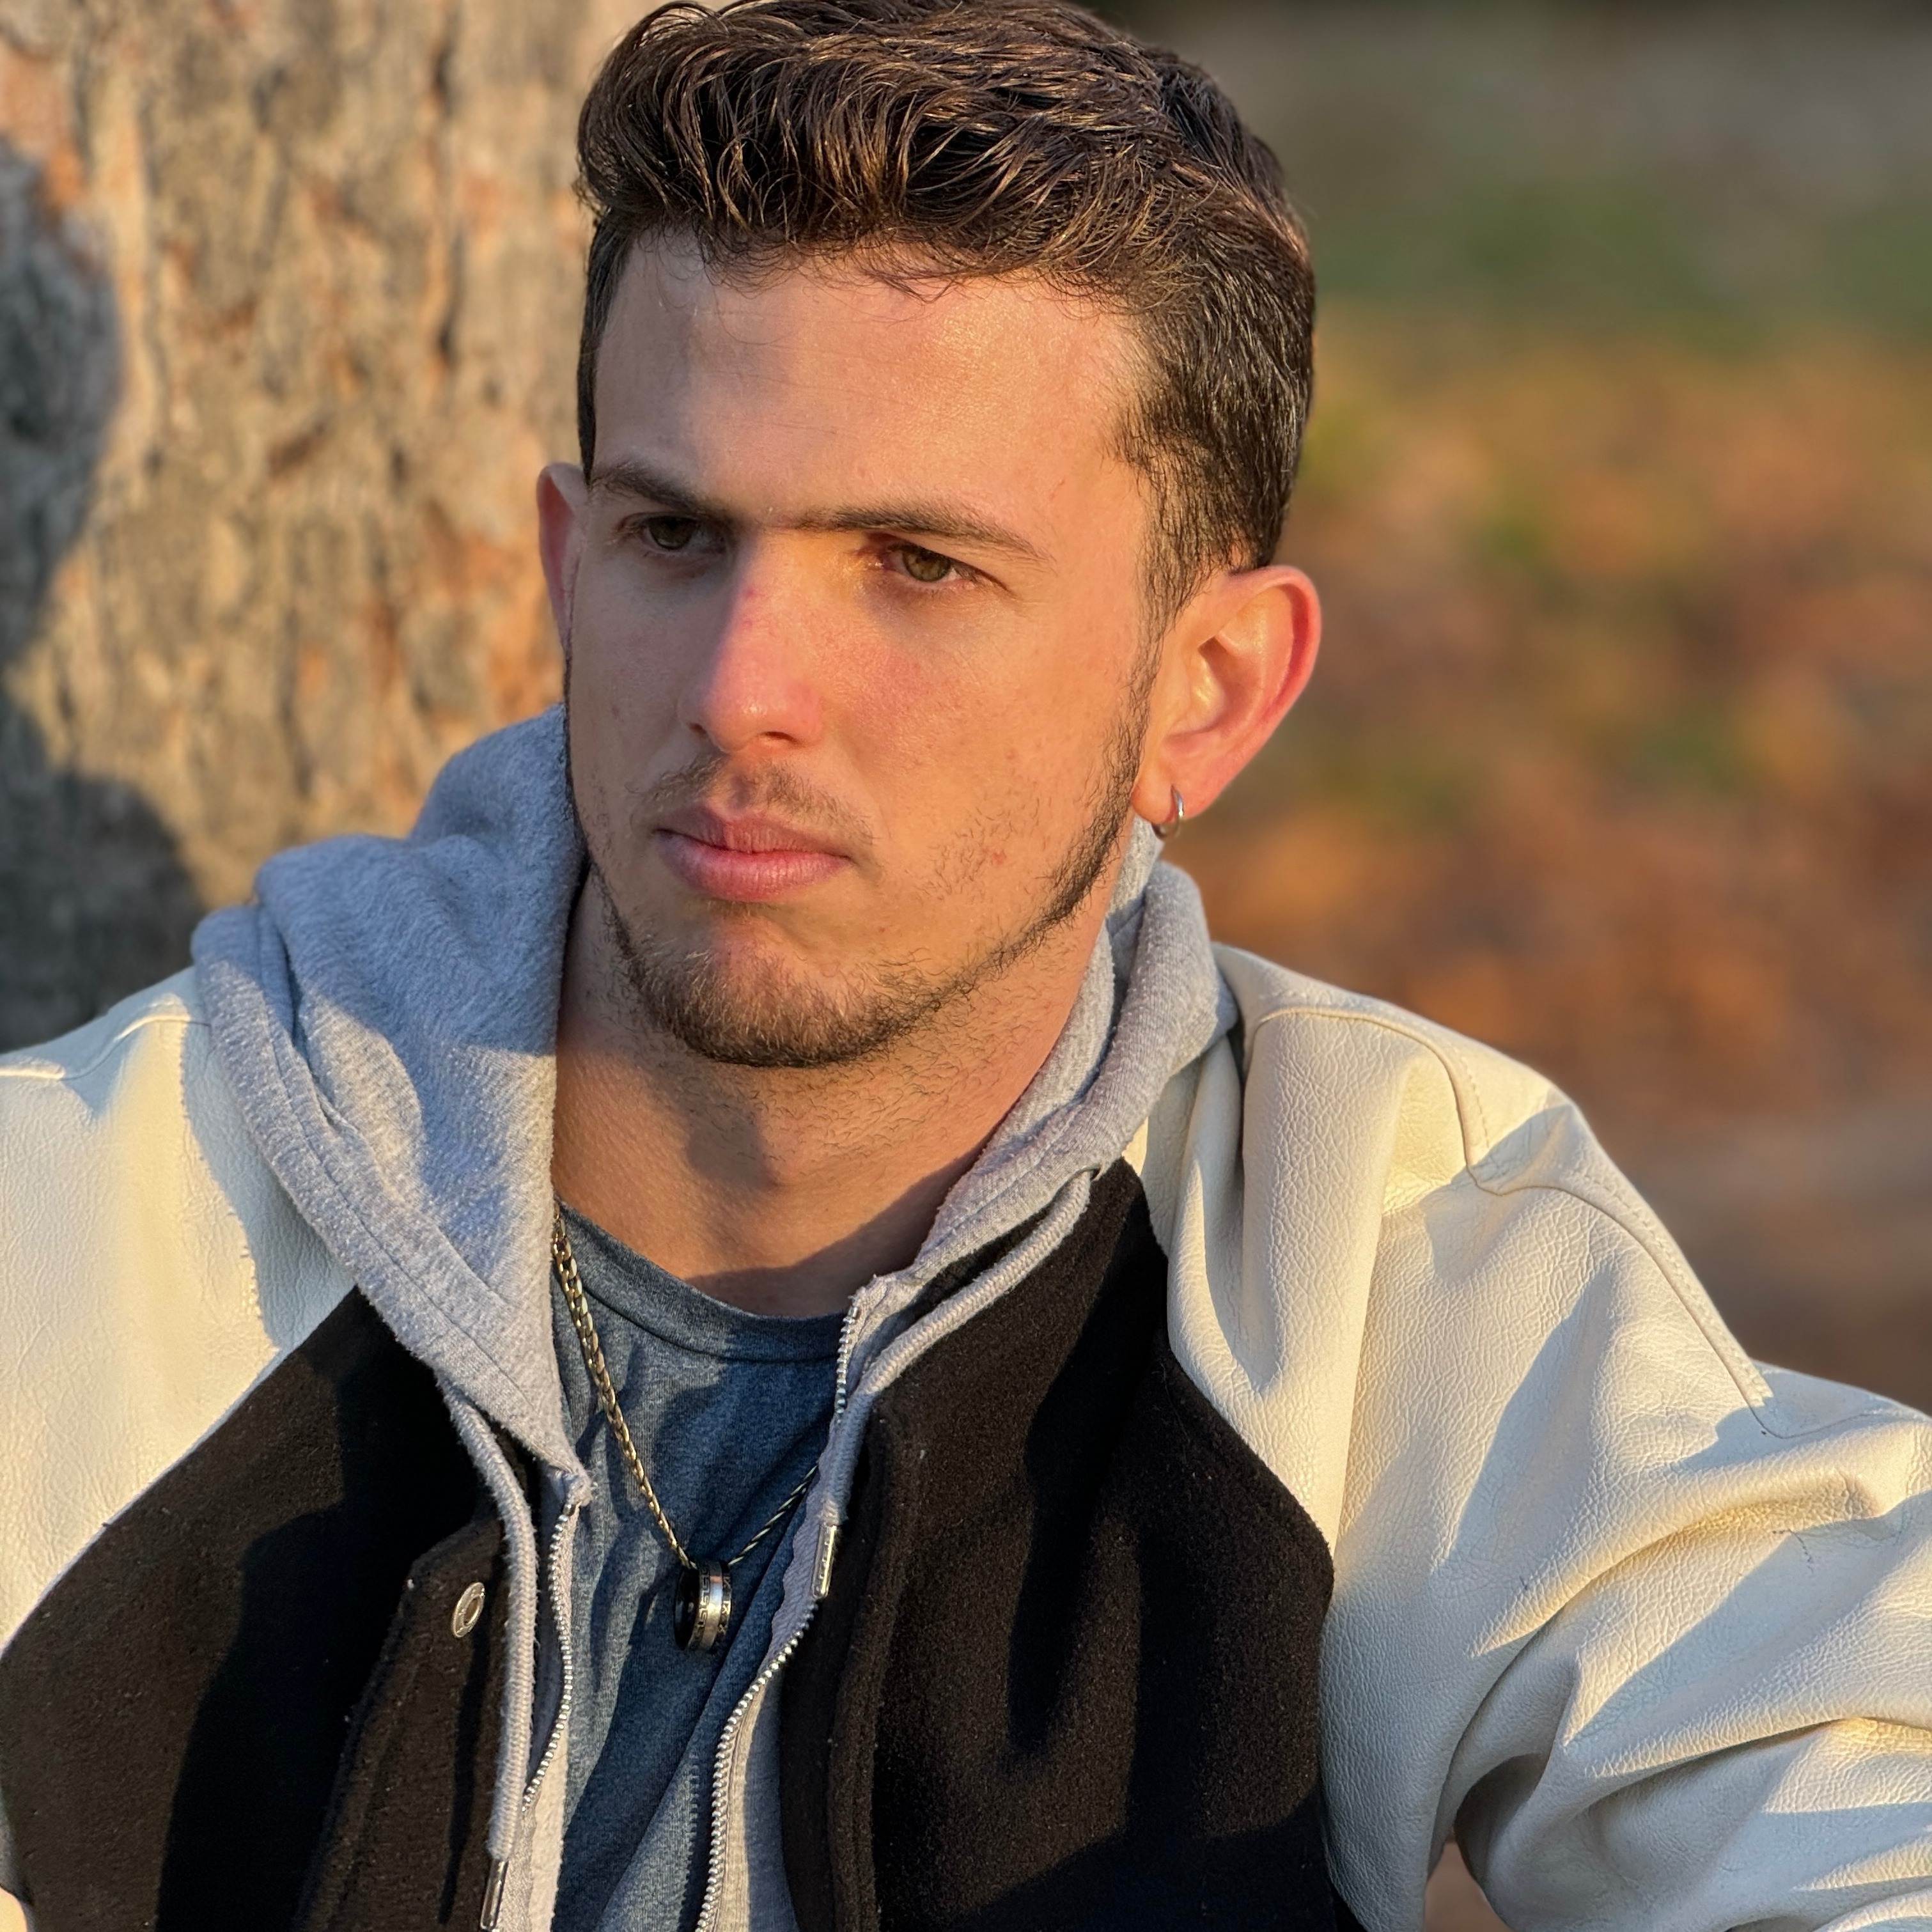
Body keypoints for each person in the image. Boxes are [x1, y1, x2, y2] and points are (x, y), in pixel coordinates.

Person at [3, 1, 1929, 1927]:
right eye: (677, 536)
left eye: (917, 565)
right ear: (569, 565)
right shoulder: (98, 1230)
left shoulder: (1375, 1260)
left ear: (1210, 688)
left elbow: (1855, 1782)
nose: (741, 690)